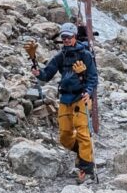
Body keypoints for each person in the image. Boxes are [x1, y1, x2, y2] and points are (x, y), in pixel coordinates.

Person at [32, 21, 98, 183]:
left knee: (83, 133)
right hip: (65, 98)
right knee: (64, 136)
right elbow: (47, 74)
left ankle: (85, 168)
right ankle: (83, 153)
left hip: (80, 98)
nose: (66, 40)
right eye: (64, 37)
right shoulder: (61, 56)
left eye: (69, 37)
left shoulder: (85, 55)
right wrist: (38, 73)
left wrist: (88, 92)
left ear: (75, 36)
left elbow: (93, 78)